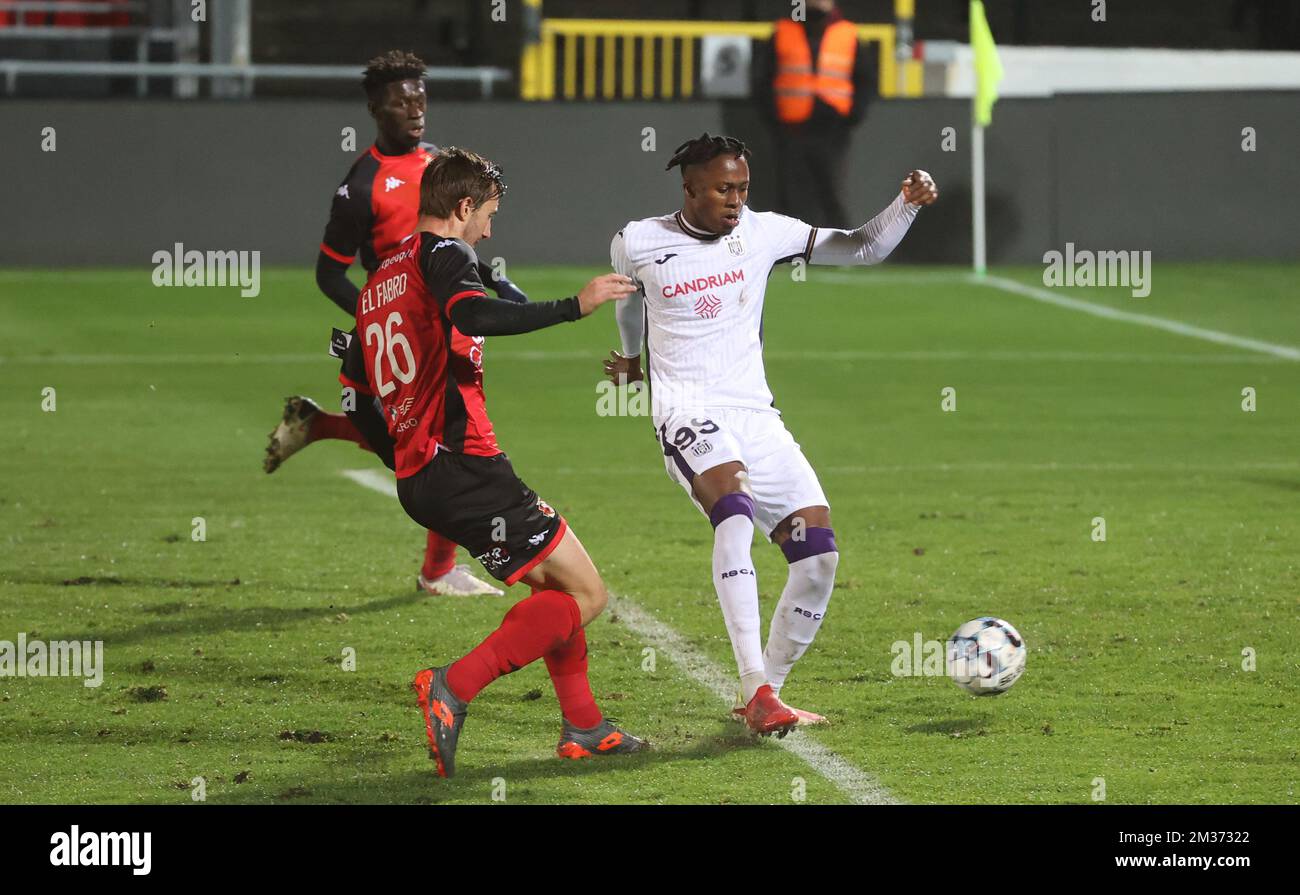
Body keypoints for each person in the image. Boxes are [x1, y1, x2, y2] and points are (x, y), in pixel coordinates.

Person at [604, 133, 937, 737]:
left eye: (743, 188)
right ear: (690, 189)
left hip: (755, 415)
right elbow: (629, 302)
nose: (735, 200)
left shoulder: (763, 233)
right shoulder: (639, 240)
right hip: (686, 411)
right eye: (723, 189)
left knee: (819, 560)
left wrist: (905, 204)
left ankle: (769, 697)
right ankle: (755, 685)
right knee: (733, 514)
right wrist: (631, 358)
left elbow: (861, 248)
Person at [342, 147, 646, 776]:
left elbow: (356, 396)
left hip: (421, 479)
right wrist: (573, 306)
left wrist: (402, 451)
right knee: (586, 594)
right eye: (488, 215)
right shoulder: (444, 255)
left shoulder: (376, 283)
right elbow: (471, 312)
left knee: (553, 592)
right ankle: (453, 685)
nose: (489, 230)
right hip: (466, 466)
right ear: (461, 208)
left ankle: (585, 726)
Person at [264, 50, 526, 597]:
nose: (414, 107)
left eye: (419, 97)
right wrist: (377, 317)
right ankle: (439, 572)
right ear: (374, 108)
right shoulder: (360, 186)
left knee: (425, 441)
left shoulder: (440, 164)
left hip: (445, 322)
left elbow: (459, 240)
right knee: (431, 447)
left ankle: (321, 427)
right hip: (402, 333)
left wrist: (497, 283)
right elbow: (328, 274)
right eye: (400, 99)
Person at [751, 0, 875, 228]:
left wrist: (853, 116)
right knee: (791, 193)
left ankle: (840, 250)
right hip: (791, 129)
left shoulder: (848, 33)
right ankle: (792, 250)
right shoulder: (783, 31)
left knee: (833, 191)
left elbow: (866, 79)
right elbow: (762, 80)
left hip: (833, 129)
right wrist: (774, 118)